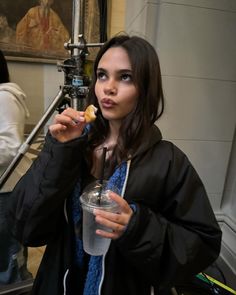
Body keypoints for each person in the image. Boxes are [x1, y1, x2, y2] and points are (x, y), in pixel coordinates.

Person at [7, 35, 222, 295]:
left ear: (145, 87)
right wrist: (59, 153)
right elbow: (25, 228)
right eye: (102, 75)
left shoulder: (168, 161)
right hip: (60, 283)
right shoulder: (75, 147)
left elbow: (203, 244)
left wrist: (137, 228)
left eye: (125, 77)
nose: (108, 88)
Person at [0, 50, 32, 284]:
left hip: (7, 189)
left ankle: (17, 285)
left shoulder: (4, 97)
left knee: (9, 253)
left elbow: (11, 146)